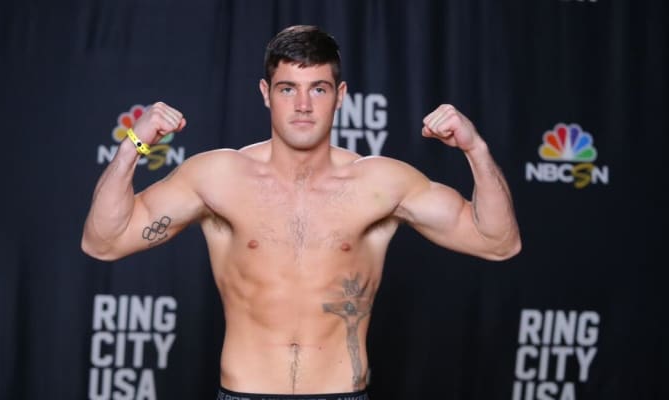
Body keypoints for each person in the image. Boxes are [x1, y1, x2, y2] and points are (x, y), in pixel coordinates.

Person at [82, 25, 521, 400]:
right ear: (266, 94)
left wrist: (475, 148)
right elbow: (104, 242)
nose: (304, 105)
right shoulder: (219, 178)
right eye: (288, 88)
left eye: (319, 89)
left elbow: (497, 242)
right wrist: (134, 145)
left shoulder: (380, 183)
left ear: (340, 96)